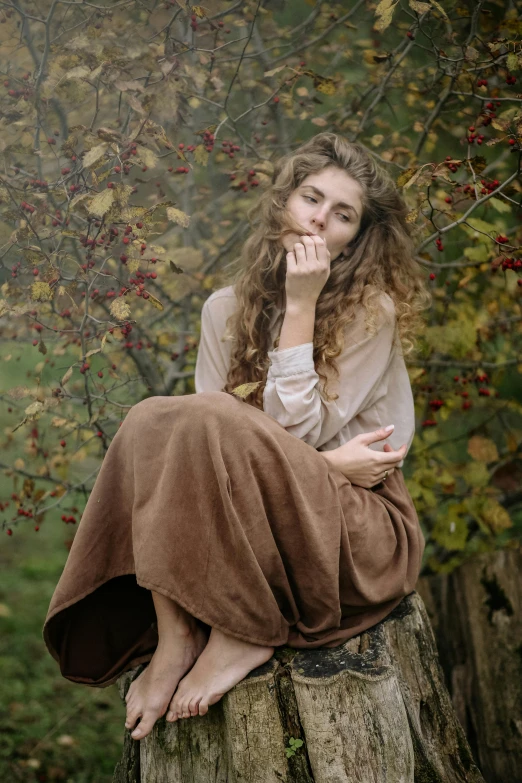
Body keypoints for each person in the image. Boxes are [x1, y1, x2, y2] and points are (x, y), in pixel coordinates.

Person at [43, 132, 431, 742]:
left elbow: (282, 435)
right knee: (154, 418)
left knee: (202, 418)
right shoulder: (224, 310)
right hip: (290, 501)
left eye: (343, 215)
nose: (319, 219)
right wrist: (329, 464)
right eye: (311, 197)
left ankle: (244, 631)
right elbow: (208, 452)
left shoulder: (368, 311)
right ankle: (176, 638)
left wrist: (301, 306)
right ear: (284, 201)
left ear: (356, 237)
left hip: (356, 529)